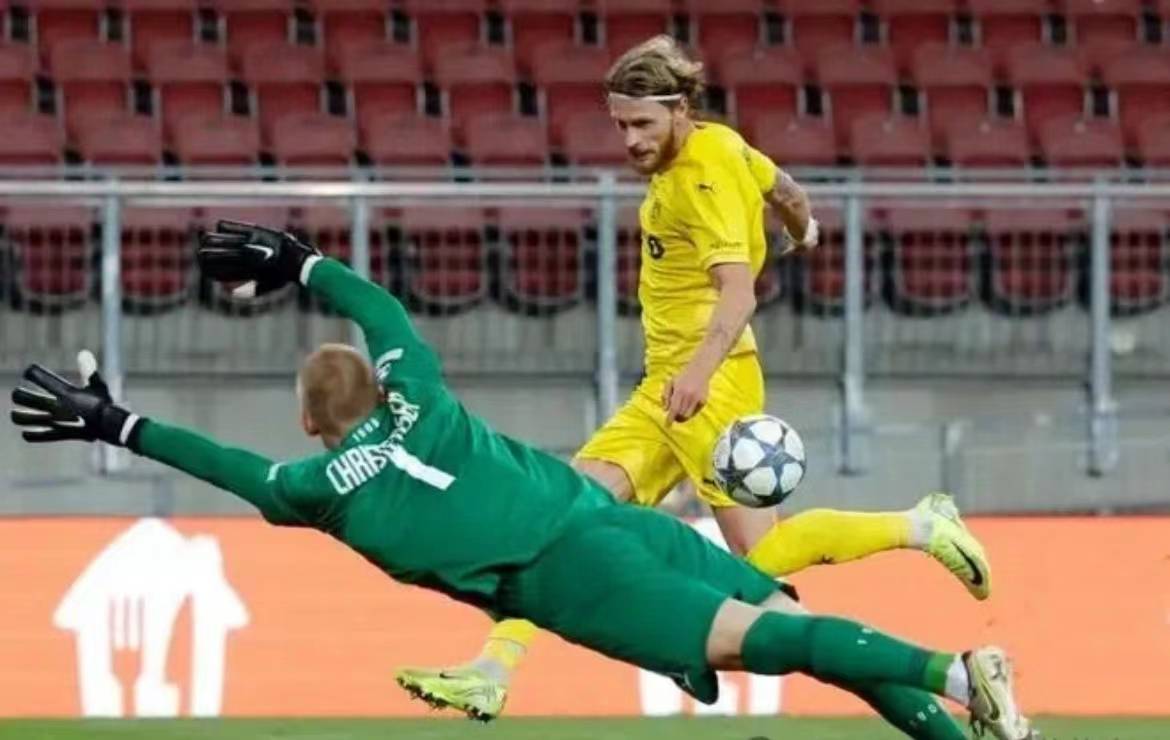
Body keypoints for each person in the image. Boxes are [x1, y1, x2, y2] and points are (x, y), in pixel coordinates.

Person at [397, 34, 992, 720]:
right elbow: (787, 190)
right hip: (666, 387)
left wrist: (700, 373)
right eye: (620, 124)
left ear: (680, 110)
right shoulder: (723, 143)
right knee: (557, 516)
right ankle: (492, 671)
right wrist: (802, 231)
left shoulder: (700, 180)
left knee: (763, 554)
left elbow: (739, 292)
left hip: (709, 382)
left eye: (642, 123)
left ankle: (919, 525)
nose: (630, 139)